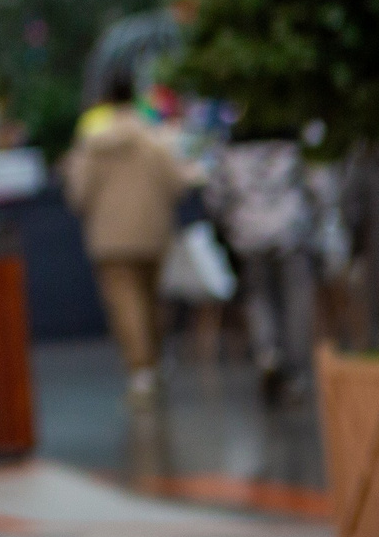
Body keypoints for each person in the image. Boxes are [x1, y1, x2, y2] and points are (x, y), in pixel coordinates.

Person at [59, 77, 198, 400]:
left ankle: (140, 370)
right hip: (153, 232)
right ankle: (155, 360)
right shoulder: (154, 139)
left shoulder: (91, 145)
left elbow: (78, 194)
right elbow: (178, 184)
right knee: (152, 301)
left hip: (109, 237)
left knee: (124, 303)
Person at [213, 129, 314, 403]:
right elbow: (314, 189)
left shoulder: (230, 151)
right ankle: (294, 372)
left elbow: (218, 198)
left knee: (259, 298)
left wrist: (230, 228)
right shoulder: (293, 147)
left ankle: (267, 353)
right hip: (290, 232)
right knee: (296, 301)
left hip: (250, 233)